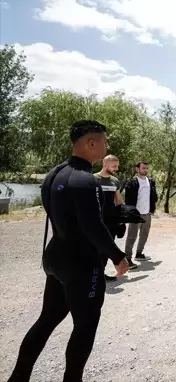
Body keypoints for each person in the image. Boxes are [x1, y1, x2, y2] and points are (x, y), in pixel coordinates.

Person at [8, 120, 129, 382]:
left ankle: (18, 377)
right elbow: (93, 227)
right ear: (91, 143)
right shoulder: (86, 180)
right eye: (104, 141)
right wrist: (118, 257)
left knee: (46, 321)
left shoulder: (54, 174)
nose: (107, 146)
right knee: (84, 327)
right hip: (81, 264)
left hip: (55, 256)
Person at [94, 154, 126, 282]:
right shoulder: (93, 179)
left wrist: (122, 219)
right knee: (95, 248)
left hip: (111, 220)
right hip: (96, 220)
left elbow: (119, 201)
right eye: (114, 166)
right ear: (105, 164)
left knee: (108, 247)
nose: (116, 168)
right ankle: (92, 274)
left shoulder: (115, 181)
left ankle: (100, 274)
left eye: (117, 166)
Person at [122, 162, 158, 268]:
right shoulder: (132, 182)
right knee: (132, 236)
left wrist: (153, 208)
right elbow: (128, 199)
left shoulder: (150, 181)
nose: (145, 170)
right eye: (143, 168)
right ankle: (128, 259)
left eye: (147, 168)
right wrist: (130, 212)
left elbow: (153, 196)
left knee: (144, 235)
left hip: (147, 213)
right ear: (137, 169)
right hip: (135, 214)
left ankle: (139, 254)